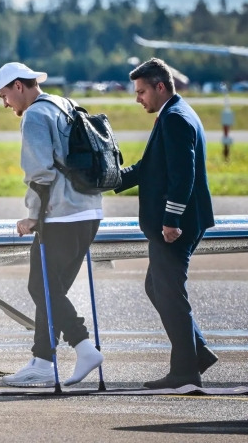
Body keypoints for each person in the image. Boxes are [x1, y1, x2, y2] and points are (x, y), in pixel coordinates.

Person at [0, 62, 104, 387]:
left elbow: (40, 173)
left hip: (61, 215)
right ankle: (43, 361)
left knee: (40, 287)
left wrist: (32, 215)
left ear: (18, 86)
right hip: (89, 212)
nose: (5, 104)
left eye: (4, 96)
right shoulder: (64, 104)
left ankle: (84, 347)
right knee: (51, 290)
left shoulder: (35, 116)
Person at [117, 57, 217, 389]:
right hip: (179, 221)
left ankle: (185, 372)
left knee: (170, 292)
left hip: (177, 225)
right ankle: (197, 351)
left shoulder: (174, 118)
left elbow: (183, 174)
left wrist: (171, 219)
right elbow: (150, 167)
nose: (137, 98)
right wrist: (111, 179)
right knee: (157, 286)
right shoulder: (174, 113)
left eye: (142, 91)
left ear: (161, 87)